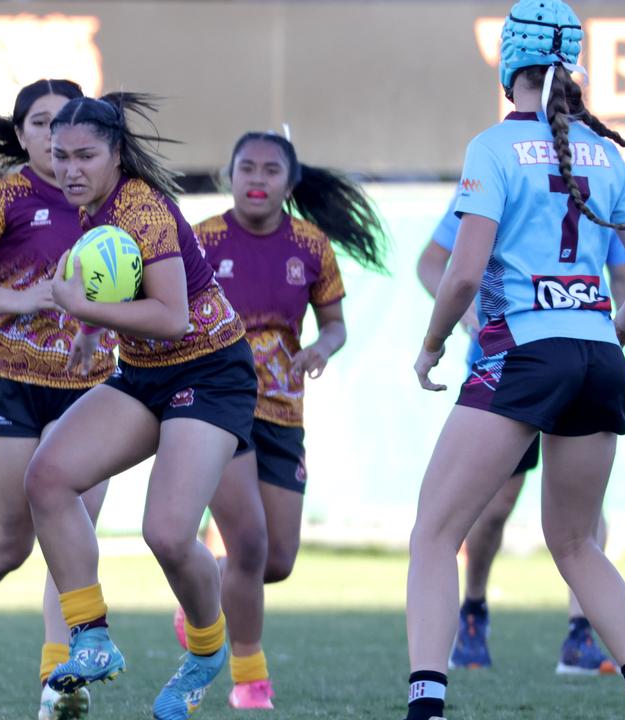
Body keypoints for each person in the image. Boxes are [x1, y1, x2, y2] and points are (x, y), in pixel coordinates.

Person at [405, 2, 625, 718]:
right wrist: (599, 334)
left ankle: (426, 706)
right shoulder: (607, 155)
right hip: (600, 357)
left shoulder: (494, 149)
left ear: (511, 67)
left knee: (434, 534)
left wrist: (434, 341)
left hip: (523, 355)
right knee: (575, 542)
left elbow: (462, 275)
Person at [23, 93, 256, 720]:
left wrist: (83, 312)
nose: (70, 168)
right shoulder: (92, 206)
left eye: (85, 156)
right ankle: (91, 638)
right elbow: (125, 293)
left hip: (210, 373)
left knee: (168, 534)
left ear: (116, 154)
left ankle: (207, 651)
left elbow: (172, 316)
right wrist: (92, 333)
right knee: (47, 477)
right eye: (59, 155)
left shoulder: (142, 208)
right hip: (148, 373)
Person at [0, 78, 113, 720]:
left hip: (94, 392)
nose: (56, 137)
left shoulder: (123, 202)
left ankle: (58, 682)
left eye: (68, 124)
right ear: (23, 133)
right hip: (8, 384)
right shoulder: (4, 196)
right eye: (41, 123)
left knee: (73, 537)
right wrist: (22, 298)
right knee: (10, 545)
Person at [185, 130, 387, 709]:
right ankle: (249, 677)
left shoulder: (311, 245)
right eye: (246, 167)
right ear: (229, 175)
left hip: (284, 411)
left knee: (276, 560)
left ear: (289, 184)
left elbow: (336, 324)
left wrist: (322, 349)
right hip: (217, 407)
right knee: (247, 547)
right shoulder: (200, 241)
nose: (257, 178)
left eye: (270, 170)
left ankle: (202, 588)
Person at [418, 196, 625, 675]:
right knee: (496, 509)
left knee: (579, 523)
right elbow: (436, 264)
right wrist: (463, 317)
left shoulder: (588, 170)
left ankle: (580, 633)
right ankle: (475, 607)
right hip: (524, 358)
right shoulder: (505, 170)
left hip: (561, 359)